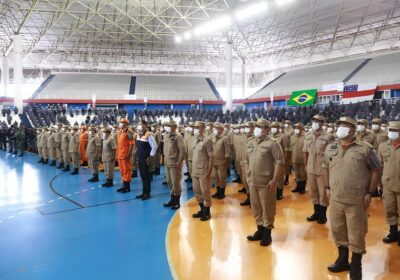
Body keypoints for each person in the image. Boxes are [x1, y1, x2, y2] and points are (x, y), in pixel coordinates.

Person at [325, 117, 380, 280]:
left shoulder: (366, 149)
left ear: (353, 130)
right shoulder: (331, 147)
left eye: (345, 126)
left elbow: (376, 169)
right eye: (339, 125)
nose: (340, 128)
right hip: (335, 199)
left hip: (356, 200)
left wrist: (370, 192)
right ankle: (342, 260)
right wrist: (327, 187)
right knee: (338, 230)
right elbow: (325, 167)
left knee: (356, 233)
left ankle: (356, 266)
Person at [245, 118, 284, 247]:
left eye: (260, 126)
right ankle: (259, 230)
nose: (257, 128)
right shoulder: (250, 142)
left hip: (266, 183)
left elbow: (279, 162)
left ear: (267, 129)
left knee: (268, 208)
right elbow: (246, 160)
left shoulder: (273, 143)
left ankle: (267, 234)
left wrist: (274, 180)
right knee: (256, 208)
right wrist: (247, 172)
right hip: (252, 182)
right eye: (256, 126)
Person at [303, 114, 333, 224]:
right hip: (310, 169)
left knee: (323, 193)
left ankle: (322, 215)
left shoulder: (329, 137)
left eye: (318, 121)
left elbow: (331, 155)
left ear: (323, 123)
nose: (316, 122)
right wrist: (306, 165)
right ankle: (316, 213)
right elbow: (305, 152)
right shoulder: (308, 135)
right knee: (313, 192)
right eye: (314, 120)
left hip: (323, 170)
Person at [377, 121, 400, 246]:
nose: (392, 133)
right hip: (388, 184)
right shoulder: (383, 146)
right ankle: (393, 232)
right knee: (390, 209)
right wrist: (379, 184)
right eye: (390, 130)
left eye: (395, 131)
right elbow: (379, 166)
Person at [191, 121, 214, 221]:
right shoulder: (195, 139)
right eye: (195, 127)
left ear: (203, 128)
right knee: (197, 192)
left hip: (204, 171)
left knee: (205, 192)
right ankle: (202, 210)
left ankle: (207, 212)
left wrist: (209, 173)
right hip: (195, 170)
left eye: (198, 127)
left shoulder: (207, 140)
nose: (196, 129)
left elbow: (212, 157)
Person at [163, 120, 186, 209]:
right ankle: (172, 199)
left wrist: (179, 162)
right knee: (169, 182)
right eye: (167, 125)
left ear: (174, 127)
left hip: (174, 163)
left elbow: (182, 151)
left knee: (175, 182)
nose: (168, 127)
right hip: (167, 162)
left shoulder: (178, 137)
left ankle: (177, 201)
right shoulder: (166, 135)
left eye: (170, 125)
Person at [135, 120, 157, 200]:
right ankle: (144, 192)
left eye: (141, 124)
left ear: (145, 126)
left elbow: (154, 146)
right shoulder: (138, 135)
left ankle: (147, 193)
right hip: (140, 158)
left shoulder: (149, 135)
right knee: (142, 176)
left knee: (146, 176)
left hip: (146, 159)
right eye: (139, 124)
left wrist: (150, 157)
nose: (140, 125)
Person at [211, 122, 230, 199]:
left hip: (222, 162)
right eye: (214, 128)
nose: (215, 130)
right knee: (215, 177)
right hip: (214, 161)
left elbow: (227, 151)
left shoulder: (224, 139)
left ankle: (222, 193)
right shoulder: (212, 138)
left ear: (221, 130)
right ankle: (218, 191)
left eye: (217, 128)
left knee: (222, 177)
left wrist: (225, 161)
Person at [116, 119, 135, 193]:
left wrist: (129, 154)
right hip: (120, 154)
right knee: (122, 170)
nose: (120, 123)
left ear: (126, 124)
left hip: (125, 154)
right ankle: (124, 185)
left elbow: (131, 144)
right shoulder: (120, 131)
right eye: (120, 122)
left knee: (127, 170)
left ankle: (127, 187)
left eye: (121, 122)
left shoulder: (129, 132)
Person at [239, 122, 255, 205]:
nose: (246, 128)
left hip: (251, 164)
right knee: (245, 181)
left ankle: (254, 201)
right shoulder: (244, 137)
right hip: (243, 163)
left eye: (248, 127)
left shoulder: (255, 138)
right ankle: (249, 198)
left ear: (253, 128)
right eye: (245, 127)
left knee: (251, 182)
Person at [290, 123, 307, 194]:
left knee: (303, 175)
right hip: (295, 159)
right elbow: (291, 148)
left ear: (302, 129)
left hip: (303, 160)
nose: (296, 129)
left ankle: (302, 188)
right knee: (297, 175)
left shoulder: (306, 137)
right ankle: (298, 187)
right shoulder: (293, 137)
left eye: (298, 128)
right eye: (295, 127)